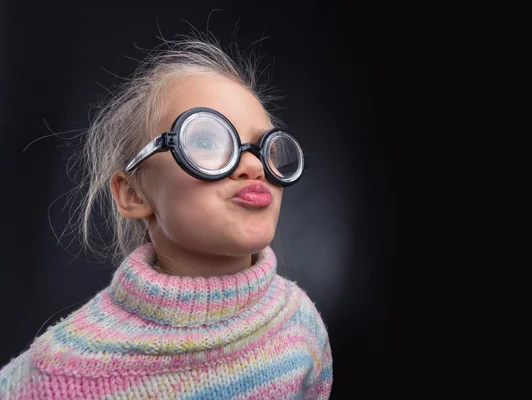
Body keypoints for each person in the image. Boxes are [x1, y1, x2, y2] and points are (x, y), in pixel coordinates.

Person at [0, 32, 333, 399]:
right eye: (206, 142)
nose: (254, 166)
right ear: (133, 193)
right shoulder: (61, 370)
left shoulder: (299, 321)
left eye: (264, 147)